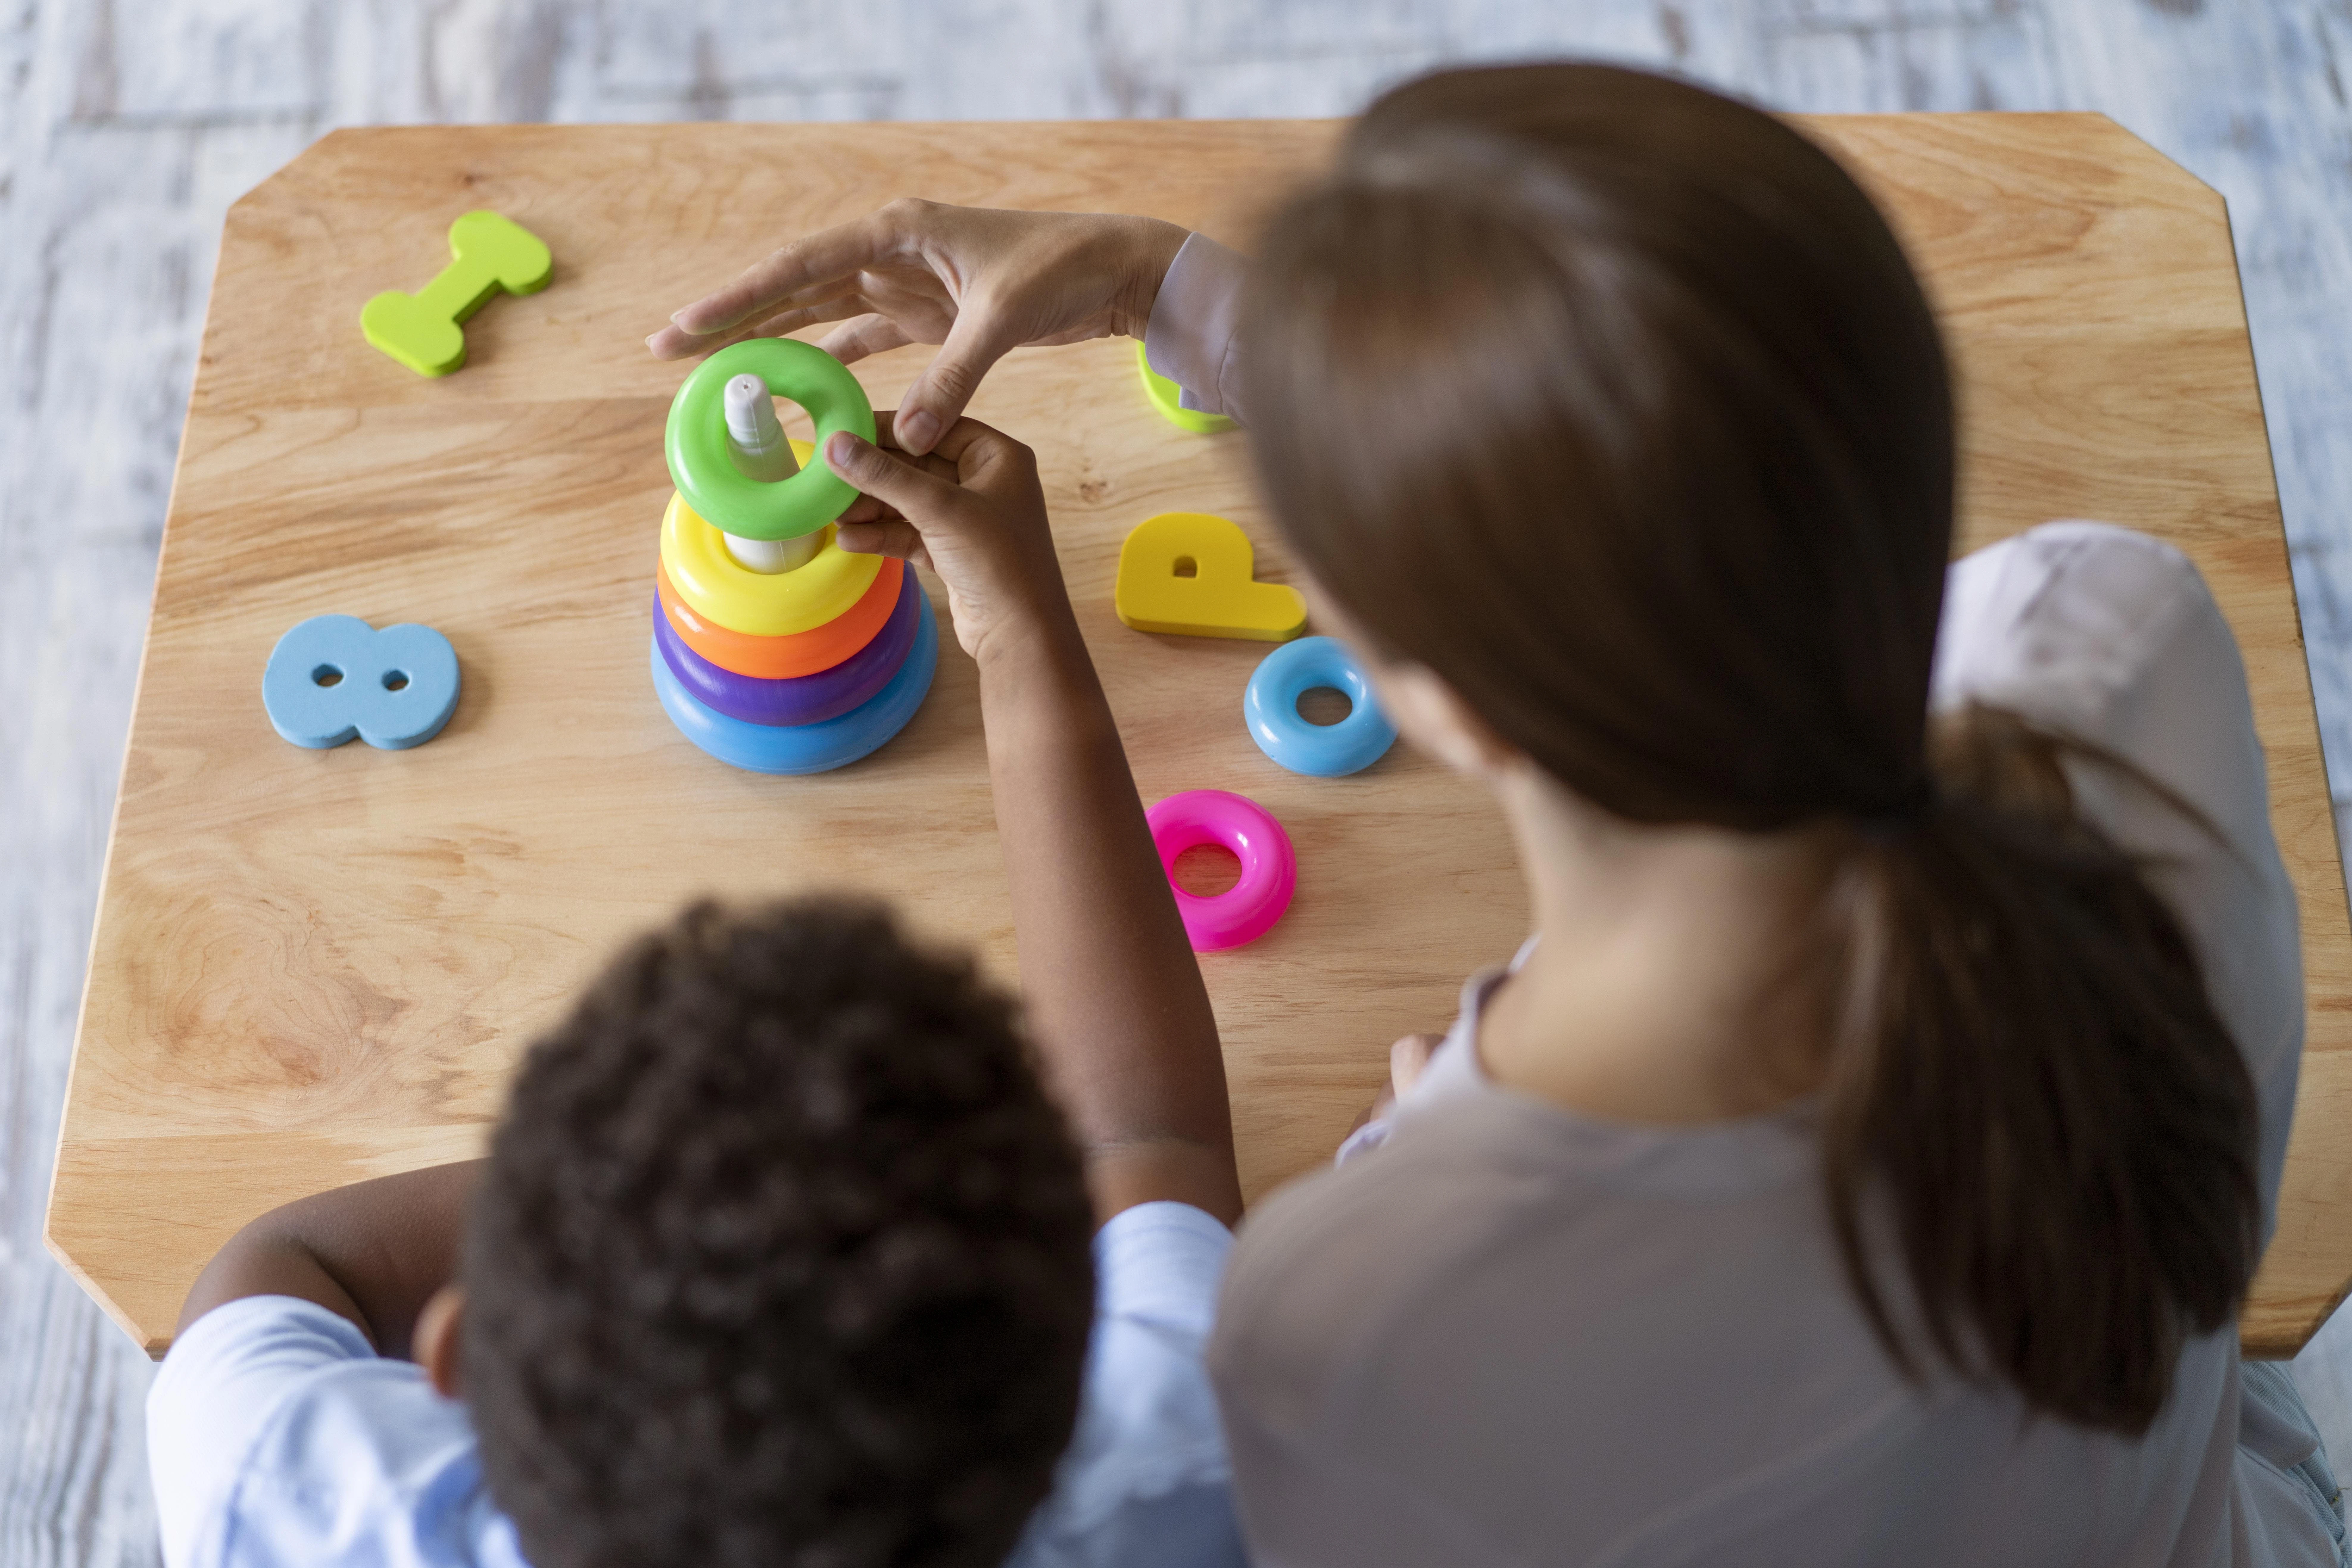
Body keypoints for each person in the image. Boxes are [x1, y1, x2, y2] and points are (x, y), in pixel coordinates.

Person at [651, 59, 2345, 1567]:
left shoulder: (1362, 1335)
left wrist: (1438, 1156)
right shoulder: (2112, 645)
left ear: (1429, 700)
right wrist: (1175, 291)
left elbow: (1152, 1170)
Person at [148, 401, 1255, 1563]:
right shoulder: (1177, 1473)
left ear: (456, 1356)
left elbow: (274, 1264)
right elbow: (1146, 1133)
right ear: (1065, 1376)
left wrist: (618, 1179)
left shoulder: (278, 1498)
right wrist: (1019, 630)